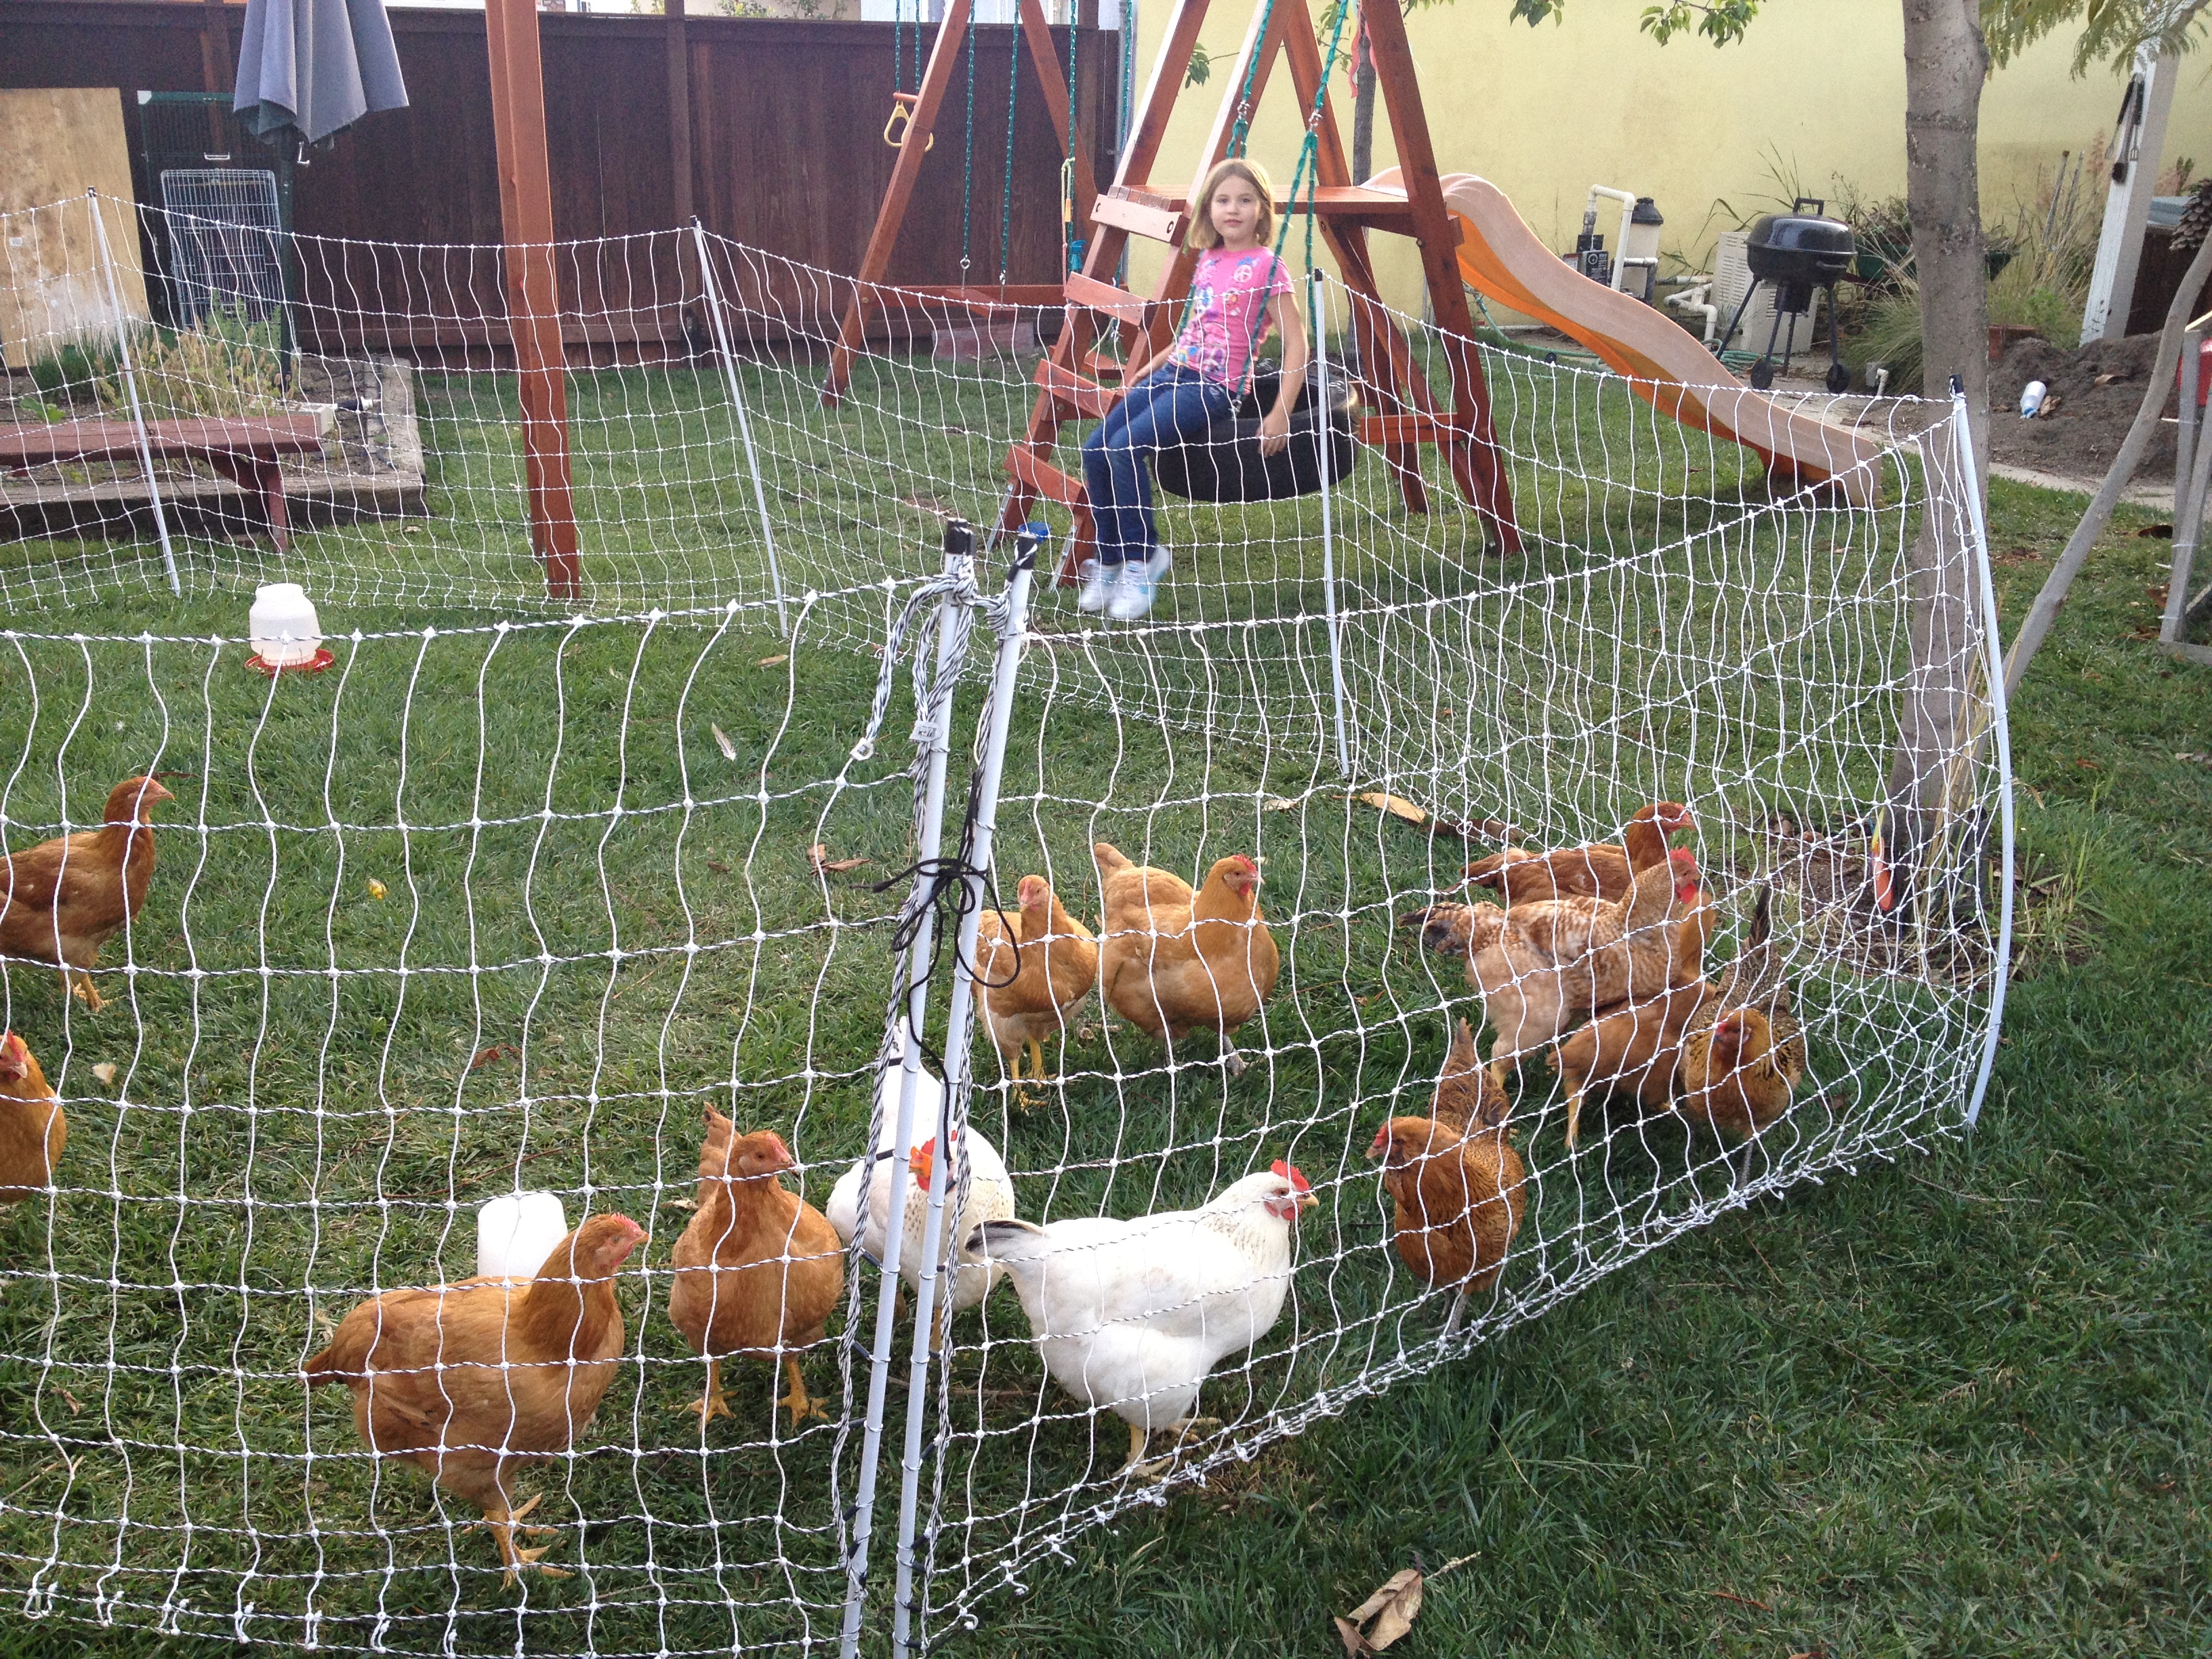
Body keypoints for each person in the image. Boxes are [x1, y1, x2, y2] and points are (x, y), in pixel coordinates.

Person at [1078, 157, 1311, 622]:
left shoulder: (1269, 266)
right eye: (1223, 200)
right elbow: (1195, 329)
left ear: (1262, 211)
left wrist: (1281, 412)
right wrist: (1153, 364)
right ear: (1209, 210)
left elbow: (1298, 345)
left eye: (1245, 200)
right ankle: (1109, 559)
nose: (1233, 209)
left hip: (1213, 387)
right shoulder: (1208, 259)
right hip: (1173, 372)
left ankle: (1144, 559)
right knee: (1095, 448)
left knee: (1125, 447)